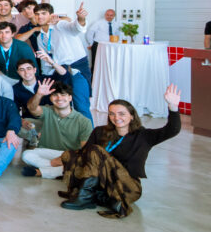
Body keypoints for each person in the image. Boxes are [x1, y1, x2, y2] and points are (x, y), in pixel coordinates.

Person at [58, 86, 181, 217]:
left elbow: (172, 130)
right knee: (70, 154)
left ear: (132, 116)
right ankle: (98, 197)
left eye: (122, 114)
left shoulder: (144, 136)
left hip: (126, 186)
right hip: (103, 183)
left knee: (95, 150)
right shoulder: (100, 131)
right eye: (112, 114)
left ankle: (87, 198)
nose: (116, 117)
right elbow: (83, 155)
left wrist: (173, 107)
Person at [20, 79, 92, 179]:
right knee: (26, 155)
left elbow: (85, 150)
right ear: (50, 98)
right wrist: (39, 94)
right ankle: (59, 170)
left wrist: (64, 158)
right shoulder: (48, 110)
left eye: (63, 95)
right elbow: (32, 108)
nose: (59, 98)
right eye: (55, 95)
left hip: (68, 155)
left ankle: (40, 172)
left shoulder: (84, 121)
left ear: (70, 98)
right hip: (46, 151)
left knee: (80, 162)